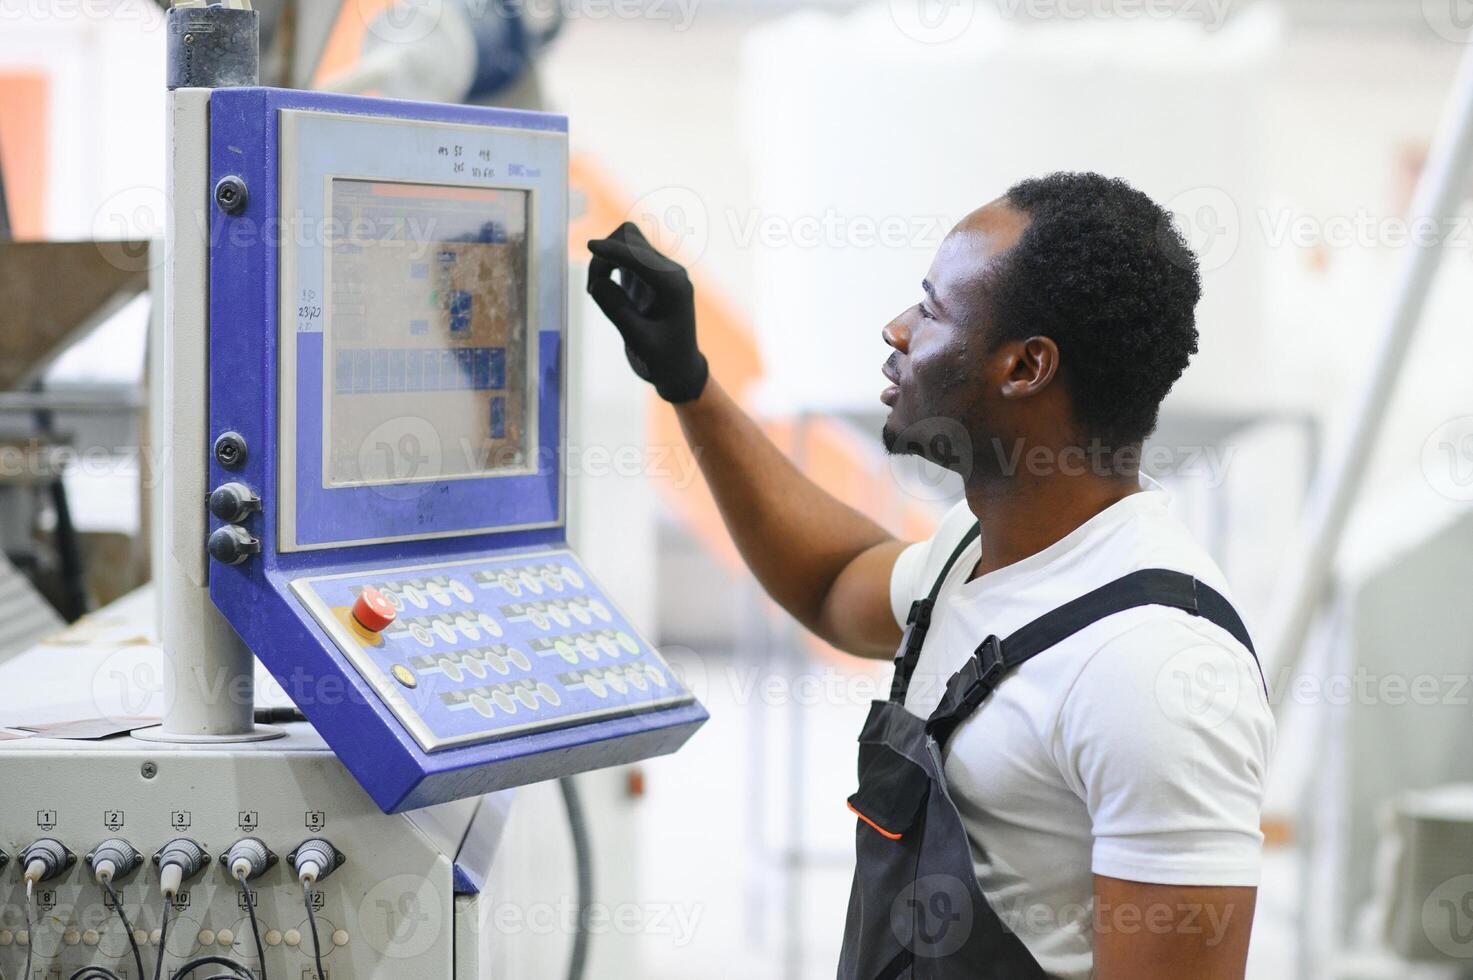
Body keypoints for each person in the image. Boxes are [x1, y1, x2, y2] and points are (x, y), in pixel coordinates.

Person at [586, 171, 1274, 980]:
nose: (897, 328)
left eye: (933, 309)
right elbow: (834, 580)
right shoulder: (973, 550)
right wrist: (689, 383)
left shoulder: (1153, 671)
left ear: (1024, 367)